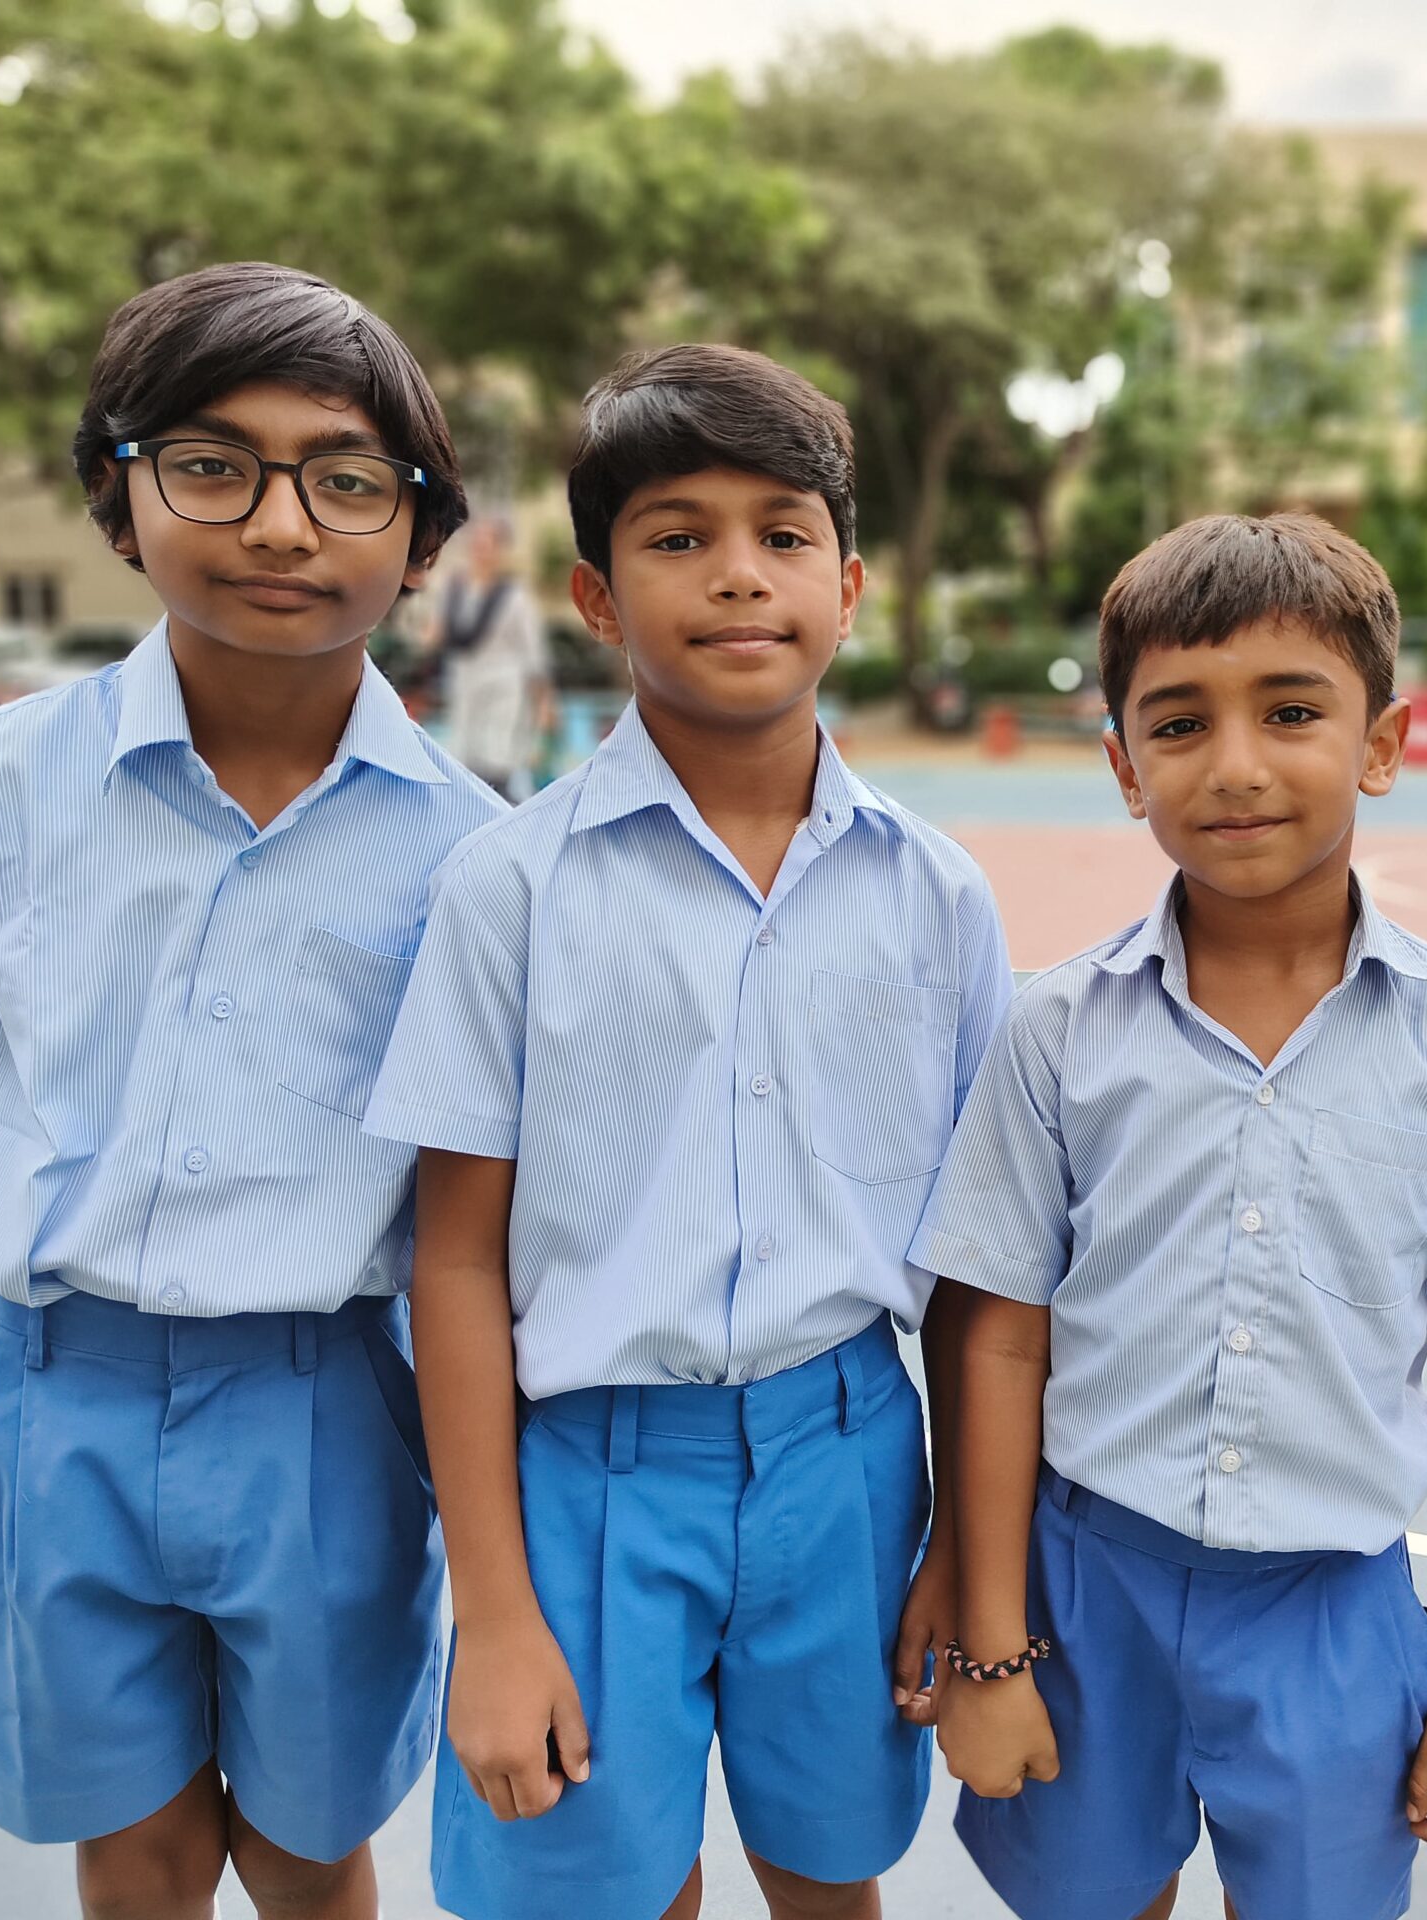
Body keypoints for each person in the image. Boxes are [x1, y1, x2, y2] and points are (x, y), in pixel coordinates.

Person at [0, 262, 502, 1920]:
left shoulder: (478, 853)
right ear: (116, 493)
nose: (280, 524)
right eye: (212, 465)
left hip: (325, 1413)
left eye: (347, 481)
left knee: (306, 1847)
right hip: (55, 1391)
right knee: (133, 1851)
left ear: (422, 535)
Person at [362, 343, 1012, 1920]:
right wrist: (495, 1613)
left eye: (783, 535)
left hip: (850, 1462)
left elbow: (984, 1263)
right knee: (600, 1889)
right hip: (591, 1478)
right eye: (678, 537)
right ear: (596, 598)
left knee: (829, 1873)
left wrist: (964, 1550)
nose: (737, 575)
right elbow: (455, 1262)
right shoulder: (509, 890)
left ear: (848, 589)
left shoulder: (936, 896)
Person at [921, 513, 1427, 1920]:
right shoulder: (1058, 1034)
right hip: (1088, 1586)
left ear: (1383, 743)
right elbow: (994, 1339)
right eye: (1180, 723)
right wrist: (992, 1648)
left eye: (1292, 712)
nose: (1235, 764)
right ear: (1125, 767)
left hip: (1333, 1608)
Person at [428, 516, 555, 796]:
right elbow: (436, 634)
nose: (482, 551)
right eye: (477, 544)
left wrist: (544, 702)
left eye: (489, 545)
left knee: (497, 762)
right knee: (462, 759)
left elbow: (533, 653)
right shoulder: (453, 590)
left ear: (500, 551)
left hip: (503, 689)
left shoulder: (515, 597)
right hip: (464, 683)